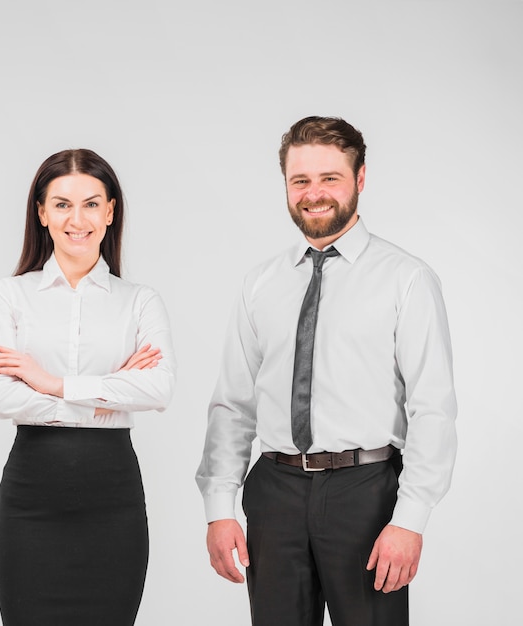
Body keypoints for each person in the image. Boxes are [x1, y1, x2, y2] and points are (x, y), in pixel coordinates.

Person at [196, 116, 457, 626]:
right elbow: (233, 404)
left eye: (330, 178)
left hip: (366, 492)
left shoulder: (406, 280)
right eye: (300, 181)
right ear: (287, 186)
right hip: (275, 491)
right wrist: (219, 506)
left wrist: (410, 519)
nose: (314, 194)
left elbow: (433, 408)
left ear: (360, 179)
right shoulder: (260, 284)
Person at [0, 148, 176, 626]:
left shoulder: (140, 302)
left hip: (113, 503)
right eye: (62, 204)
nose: (77, 218)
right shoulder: (9, 296)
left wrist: (50, 382)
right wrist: (107, 391)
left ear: (110, 212)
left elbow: (159, 389)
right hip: (32, 501)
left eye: (91, 203)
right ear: (42, 213)